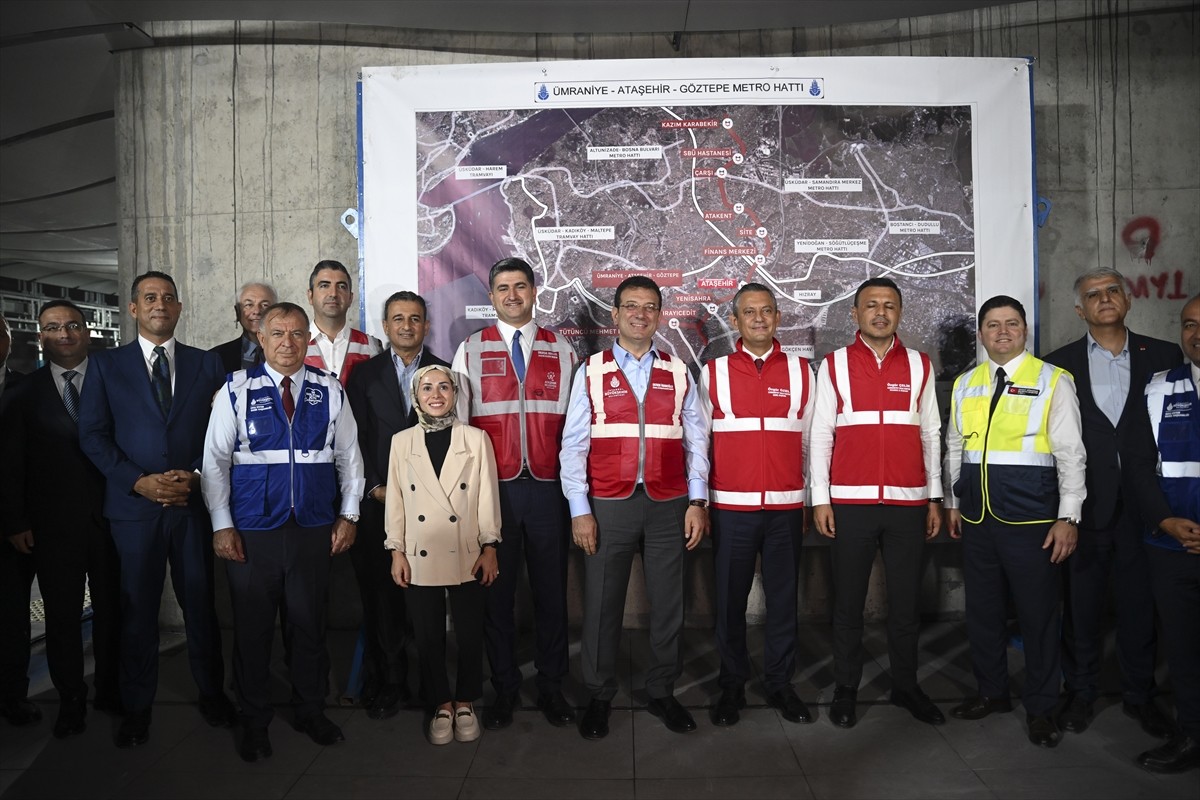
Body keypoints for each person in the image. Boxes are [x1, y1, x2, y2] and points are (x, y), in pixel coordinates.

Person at [78, 271, 236, 748]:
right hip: (134, 510)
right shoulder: (105, 367)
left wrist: (193, 474)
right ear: (133, 309)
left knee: (200, 607)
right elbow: (92, 435)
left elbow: (219, 433)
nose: (159, 304)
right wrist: (139, 481)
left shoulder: (206, 365)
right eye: (149, 298)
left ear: (180, 308)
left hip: (190, 505)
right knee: (137, 610)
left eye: (168, 298)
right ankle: (136, 707)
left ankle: (212, 695)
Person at [201, 301, 364, 762]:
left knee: (309, 627)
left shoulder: (329, 390)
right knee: (252, 631)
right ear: (260, 338)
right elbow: (213, 461)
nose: (287, 343)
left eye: (296, 334)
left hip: (313, 528)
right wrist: (222, 524)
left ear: (307, 339)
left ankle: (311, 710)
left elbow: (350, 458)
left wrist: (348, 515)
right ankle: (255, 721)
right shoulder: (235, 390)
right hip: (253, 531)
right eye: (277, 334)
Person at [559, 275, 711, 740]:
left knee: (669, 604)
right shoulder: (592, 370)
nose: (640, 314)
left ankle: (662, 690)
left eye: (649, 307)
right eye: (631, 306)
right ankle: (599, 695)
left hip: (669, 504)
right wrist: (579, 510)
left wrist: (698, 499)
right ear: (615, 315)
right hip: (608, 504)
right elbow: (573, 445)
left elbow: (697, 440)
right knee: (603, 603)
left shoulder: (679, 369)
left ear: (659, 315)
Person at [945, 295, 1086, 749]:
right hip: (977, 519)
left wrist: (1069, 516)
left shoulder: (1052, 381)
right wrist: (953, 501)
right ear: (982, 333)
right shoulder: (966, 383)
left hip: (1033, 521)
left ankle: (1043, 709)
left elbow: (1070, 454)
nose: (1002, 332)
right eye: (992, 325)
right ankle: (992, 692)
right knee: (983, 614)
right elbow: (954, 447)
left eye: (1011, 324)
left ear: (1025, 330)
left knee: (1039, 617)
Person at [1043, 268, 1179, 737]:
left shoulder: (1165, 356)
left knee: (1141, 606)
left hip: (1148, 508)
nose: (1104, 299)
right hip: (1087, 507)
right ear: (1080, 310)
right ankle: (1079, 693)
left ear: (1128, 300)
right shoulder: (1057, 365)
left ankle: (1140, 696)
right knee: (1081, 607)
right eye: (1093, 295)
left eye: (1112, 291)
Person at [809, 277, 946, 730]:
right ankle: (847, 687)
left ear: (899, 314)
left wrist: (934, 497)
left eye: (889, 305)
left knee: (905, 605)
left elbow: (931, 434)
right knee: (848, 604)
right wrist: (821, 499)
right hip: (850, 504)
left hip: (908, 504)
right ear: (856, 313)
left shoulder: (920, 365)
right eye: (871, 305)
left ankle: (907, 686)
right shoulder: (833, 366)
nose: (880, 313)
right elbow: (820, 435)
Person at [451, 257, 578, 730]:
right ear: (491, 296)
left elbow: (576, 426)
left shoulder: (561, 349)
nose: (512, 296)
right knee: (496, 596)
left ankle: (551, 687)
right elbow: (460, 429)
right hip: (494, 492)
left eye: (520, 286)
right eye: (502, 288)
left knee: (551, 596)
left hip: (549, 491)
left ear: (534, 291)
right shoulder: (470, 349)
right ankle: (503, 689)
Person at [1, 301, 121, 738]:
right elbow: (12, 464)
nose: (64, 334)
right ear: (40, 338)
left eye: (72, 325)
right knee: (63, 617)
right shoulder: (22, 394)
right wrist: (16, 522)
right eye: (53, 328)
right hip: (52, 528)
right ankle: (71, 698)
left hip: (112, 519)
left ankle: (110, 689)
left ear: (87, 332)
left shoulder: (116, 382)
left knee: (112, 610)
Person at [700, 283, 815, 727]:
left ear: (778, 317)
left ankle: (780, 682)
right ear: (735, 321)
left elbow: (810, 442)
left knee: (784, 598)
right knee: (730, 600)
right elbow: (701, 441)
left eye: (767, 311)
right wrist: (704, 502)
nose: (759, 319)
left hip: (787, 507)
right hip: (731, 508)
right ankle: (732, 683)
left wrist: (807, 497)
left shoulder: (804, 372)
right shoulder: (713, 373)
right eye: (750, 313)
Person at [385, 366, 501, 746]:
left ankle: (465, 701)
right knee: (428, 635)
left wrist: (490, 546)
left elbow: (487, 497)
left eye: (444, 387)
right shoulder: (402, 442)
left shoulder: (476, 438)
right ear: (415, 396)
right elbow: (397, 502)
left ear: (455, 393)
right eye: (427, 388)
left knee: (469, 634)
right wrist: (396, 549)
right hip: (418, 552)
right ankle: (440, 703)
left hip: (467, 550)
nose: (436, 394)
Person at [346, 291, 448, 719]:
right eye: (398, 319)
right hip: (379, 504)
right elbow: (353, 439)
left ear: (426, 325)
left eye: (415, 319)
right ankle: (390, 681)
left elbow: (452, 439)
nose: (407, 326)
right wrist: (373, 487)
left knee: (426, 599)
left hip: (432, 506)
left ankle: (432, 684)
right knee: (383, 597)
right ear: (385, 327)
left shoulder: (443, 372)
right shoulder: (363, 376)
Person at [1123, 294, 1200, 773]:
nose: (1197, 334)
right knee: (1184, 650)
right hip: (1171, 546)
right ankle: (1191, 735)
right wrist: (1165, 520)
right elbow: (1137, 467)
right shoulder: (1157, 388)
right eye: (1189, 324)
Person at [0, 314, 38, 728]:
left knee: (12, 617)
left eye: (0, 332)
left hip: (14, 525)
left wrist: (18, 519)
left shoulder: (26, 389)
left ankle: (12, 695)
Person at [304, 259, 382, 386]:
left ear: (350, 298)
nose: (333, 294)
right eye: (324, 285)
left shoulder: (370, 346)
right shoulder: (294, 344)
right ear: (310, 296)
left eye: (341, 286)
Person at [211, 281, 278, 375]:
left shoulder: (291, 351)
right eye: (249, 305)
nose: (257, 311)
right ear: (237, 312)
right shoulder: (216, 357)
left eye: (264, 305)